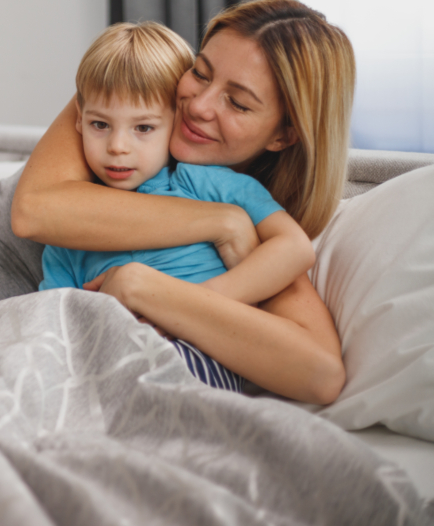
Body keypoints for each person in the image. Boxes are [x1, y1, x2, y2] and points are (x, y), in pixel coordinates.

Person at [0, 0, 355, 405]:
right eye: (200, 72)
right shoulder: (137, 92)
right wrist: (224, 222)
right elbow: (33, 212)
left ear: (284, 134)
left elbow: (319, 371)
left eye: (238, 103)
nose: (198, 105)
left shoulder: (243, 203)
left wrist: (160, 293)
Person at [37, 22, 315, 392]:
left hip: (197, 352)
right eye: (100, 124)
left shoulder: (208, 183)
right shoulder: (66, 229)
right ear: (80, 122)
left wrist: (190, 304)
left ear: (173, 123)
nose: (118, 146)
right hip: (105, 360)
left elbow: (295, 248)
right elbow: (51, 327)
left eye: (144, 128)